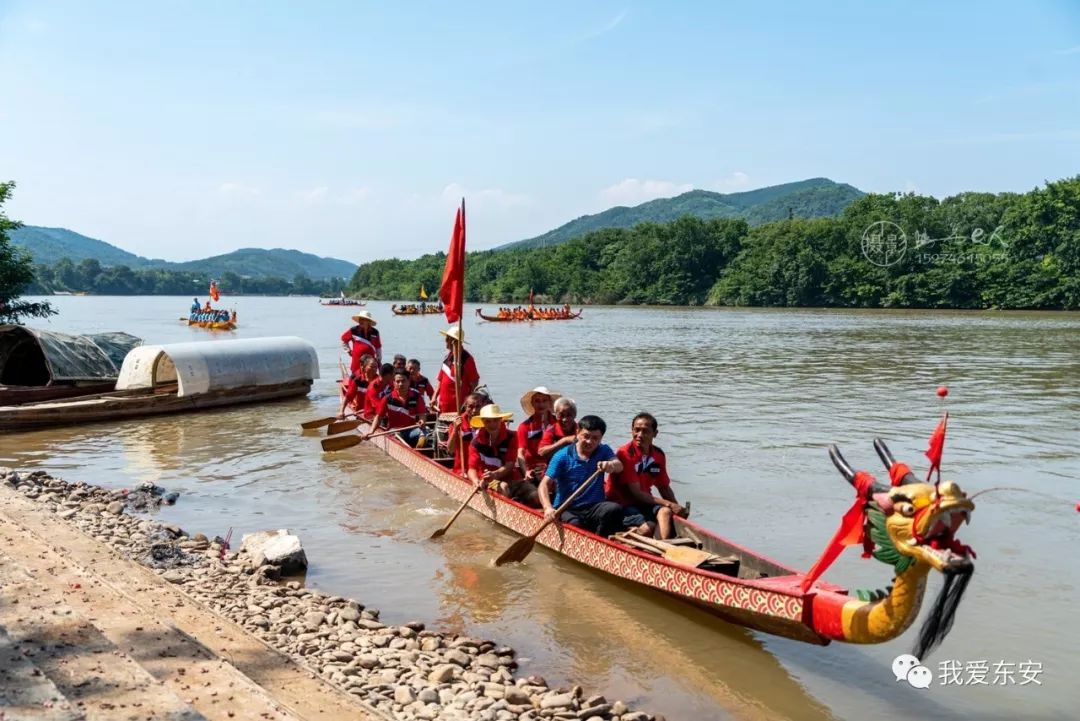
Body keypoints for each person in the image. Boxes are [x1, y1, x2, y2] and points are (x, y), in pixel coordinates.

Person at [538, 415, 624, 537]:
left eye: (595, 438)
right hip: (567, 508)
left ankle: (600, 541)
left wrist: (610, 465)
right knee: (576, 524)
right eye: (586, 436)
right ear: (578, 433)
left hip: (593, 507)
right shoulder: (562, 456)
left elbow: (619, 465)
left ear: (601, 439)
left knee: (614, 509)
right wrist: (547, 508)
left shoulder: (603, 450)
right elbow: (544, 484)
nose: (590, 442)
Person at [606, 412, 688, 539]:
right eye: (636, 430)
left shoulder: (658, 455)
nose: (639, 435)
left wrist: (677, 509)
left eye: (645, 431)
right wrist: (670, 504)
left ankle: (663, 548)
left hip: (644, 503)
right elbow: (636, 493)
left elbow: (664, 487)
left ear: (655, 433)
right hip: (622, 504)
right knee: (648, 528)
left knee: (665, 512)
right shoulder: (625, 453)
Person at [468, 404, 537, 506]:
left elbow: (509, 465)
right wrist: (475, 481)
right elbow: (472, 469)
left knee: (536, 495)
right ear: (483, 422)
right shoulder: (476, 443)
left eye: (495, 420)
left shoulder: (512, 437)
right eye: (488, 421)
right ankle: (509, 511)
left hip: (512, 479)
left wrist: (494, 474)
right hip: (487, 481)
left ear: (501, 420)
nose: (492, 424)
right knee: (503, 487)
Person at [367, 368, 428, 447]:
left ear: (409, 382)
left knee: (426, 434)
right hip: (395, 431)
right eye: (398, 381)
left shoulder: (416, 396)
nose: (400, 384)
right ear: (393, 383)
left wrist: (422, 421)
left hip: (412, 430)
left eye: (403, 381)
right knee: (397, 437)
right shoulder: (387, 398)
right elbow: (378, 417)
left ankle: (419, 452)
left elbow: (422, 414)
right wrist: (371, 431)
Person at [516, 386, 560, 481]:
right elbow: (520, 452)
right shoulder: (525, 426)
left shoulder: (559, 423)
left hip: (556, 464)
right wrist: (525, 472)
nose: (541, 404)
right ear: (532, 403)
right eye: (537, 401)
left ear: (549, 403)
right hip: (534, 467)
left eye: (544, 400)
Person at [434, 326, 479, 414]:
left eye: (447, 339)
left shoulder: (467, 359)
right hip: (443, 407)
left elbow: (474, 382)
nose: (445, 341)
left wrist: (468, 403)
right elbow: (440, 380)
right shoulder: (447, 357)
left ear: (454, 341)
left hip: (459, 409)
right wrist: (434, 397)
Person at [446, 391, 490, 475]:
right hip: (462, 470)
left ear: (483, 406)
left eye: (478, 407)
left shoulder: (489, 421)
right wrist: (455, 430)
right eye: (471, 407)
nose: (474, 411)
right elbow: (450, 450)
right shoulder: (457, 423)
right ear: (465, 407)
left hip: (483, 470)